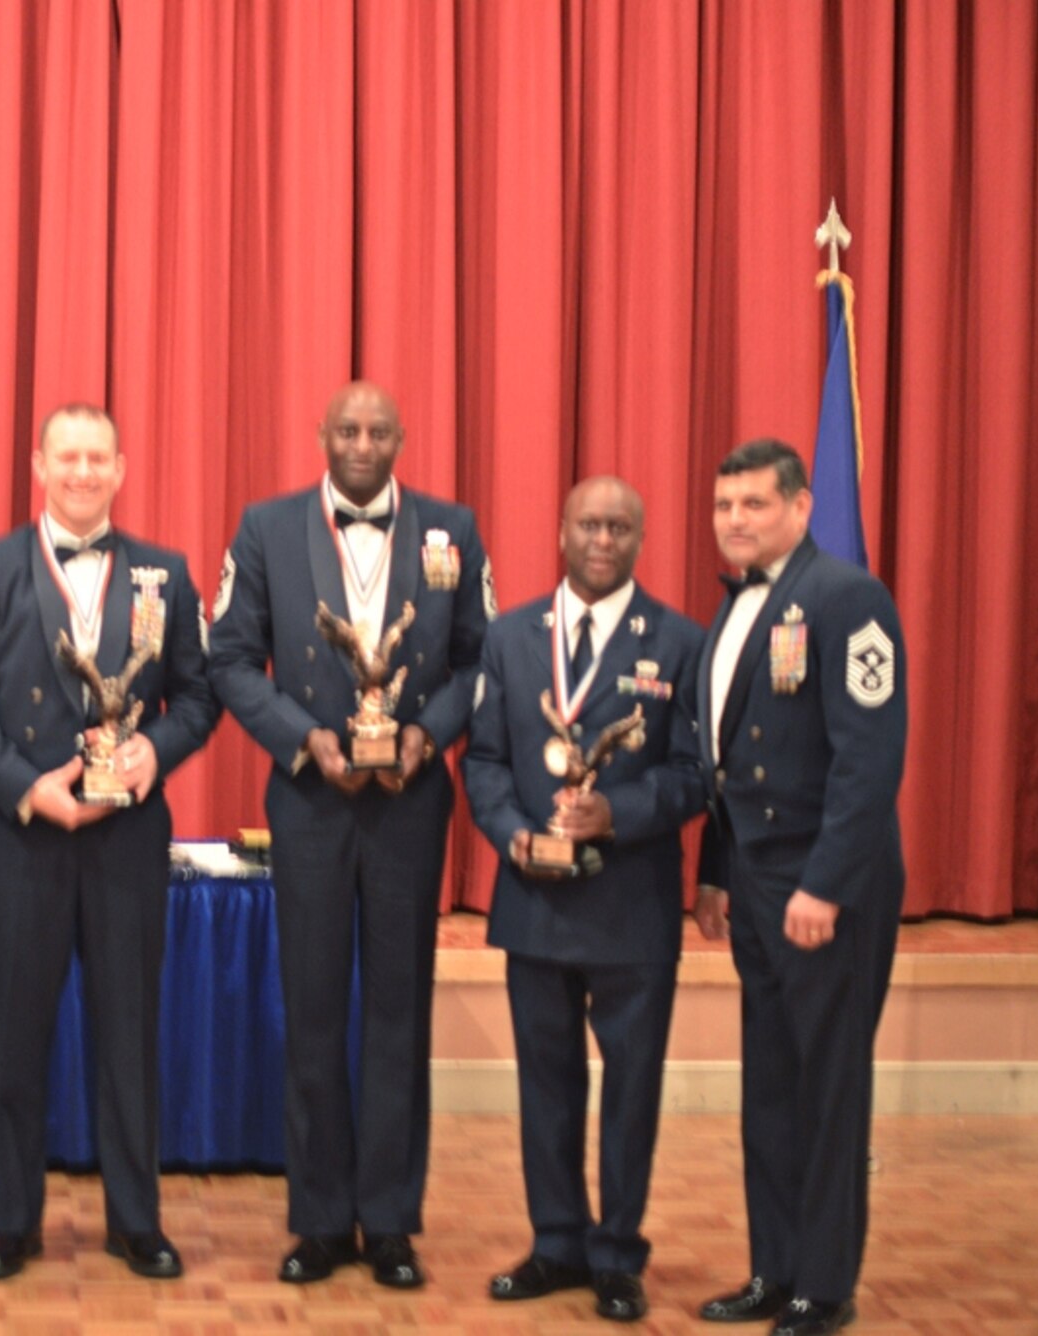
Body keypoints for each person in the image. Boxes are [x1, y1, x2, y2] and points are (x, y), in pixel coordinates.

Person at [207, 380, 491, 1288]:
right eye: (347, 428)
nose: (362, 443)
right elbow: (226, 658)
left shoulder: (451, 528)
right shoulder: (266, 527)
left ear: (401, 438)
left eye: (378, 430)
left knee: (400, 1011)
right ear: (321, 434)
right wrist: (303, 740)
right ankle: (323, 1219)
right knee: (316, 1010)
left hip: (410, 805)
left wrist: (428, 733)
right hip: (313, 803)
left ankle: (392, 1219)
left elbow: (481, 659)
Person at [0, 403, 218, 1281]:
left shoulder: (165, 574)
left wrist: (151, 753)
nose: (84, 472)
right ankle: (9, 1221)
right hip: (25, 837)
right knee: (15, 1032)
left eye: (99, 458)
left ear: (123, 469)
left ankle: (136, 1219)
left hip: (129, 837)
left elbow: (200, 698)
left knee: (130, 1034)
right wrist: (27, 789)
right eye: (69, 457)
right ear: (39, 465)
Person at [462, 477, 705, 1323]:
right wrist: (511, 834)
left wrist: (618, 813)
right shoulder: (512, 636)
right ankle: (556, 1243)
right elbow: (484, 759)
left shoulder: (679, 642)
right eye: (589, 524)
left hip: (633, 908)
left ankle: (618, 1254)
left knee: (632, 1087)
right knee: (547, 1085)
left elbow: (693, 775)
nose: (603, 538)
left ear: (640, 538)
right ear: (561, 530)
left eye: (620, 526)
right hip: (534, 897)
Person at [693, 439, 906, 1336]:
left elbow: (868, 760)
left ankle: (826, 1284)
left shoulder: (847, 598)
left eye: (754, 504)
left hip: (825, 887)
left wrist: (823, 885)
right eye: (724, 505)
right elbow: (729, 753)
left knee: (827, 1091)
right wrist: (713, 873)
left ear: (801, 506)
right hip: (754, 878)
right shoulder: (736, 603)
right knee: (771, 1087)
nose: (736, 519)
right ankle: (773, 1269)